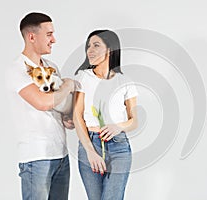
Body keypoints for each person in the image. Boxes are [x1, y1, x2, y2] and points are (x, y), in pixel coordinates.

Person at [6, 12, 76, 200]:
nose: (54, 40)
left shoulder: (51, 66)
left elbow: (59, 104)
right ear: (31, 37)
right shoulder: (17, 69)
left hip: (61, 155)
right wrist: (69, 85)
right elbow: (43, 103)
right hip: (36, 158)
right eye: (49, 34)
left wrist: (67, 118)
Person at [73, 30, 138, 200]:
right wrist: (90, 151)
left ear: (110, 49)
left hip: (119, 147)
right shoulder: (83, 77)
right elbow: (77, 116)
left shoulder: (125, 81)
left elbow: (134, 121)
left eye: (96, 45)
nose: (90, 50)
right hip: (91, 143)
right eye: (88, 46)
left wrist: (118, 126)